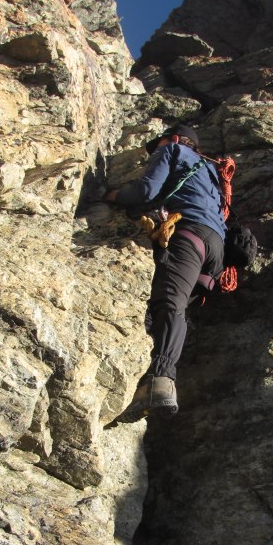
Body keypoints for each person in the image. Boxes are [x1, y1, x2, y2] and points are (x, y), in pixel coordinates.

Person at [105, 123, 226, 418]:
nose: (154, 151)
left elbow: (146, 191)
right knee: (176, 309)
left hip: (190, 235)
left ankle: (161, 380)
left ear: (172, 139)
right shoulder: (211, 172)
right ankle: (150, 380)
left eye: (156, 145)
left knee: (168, 302)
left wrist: (114, 196)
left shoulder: (172, 150)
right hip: (215, 249)